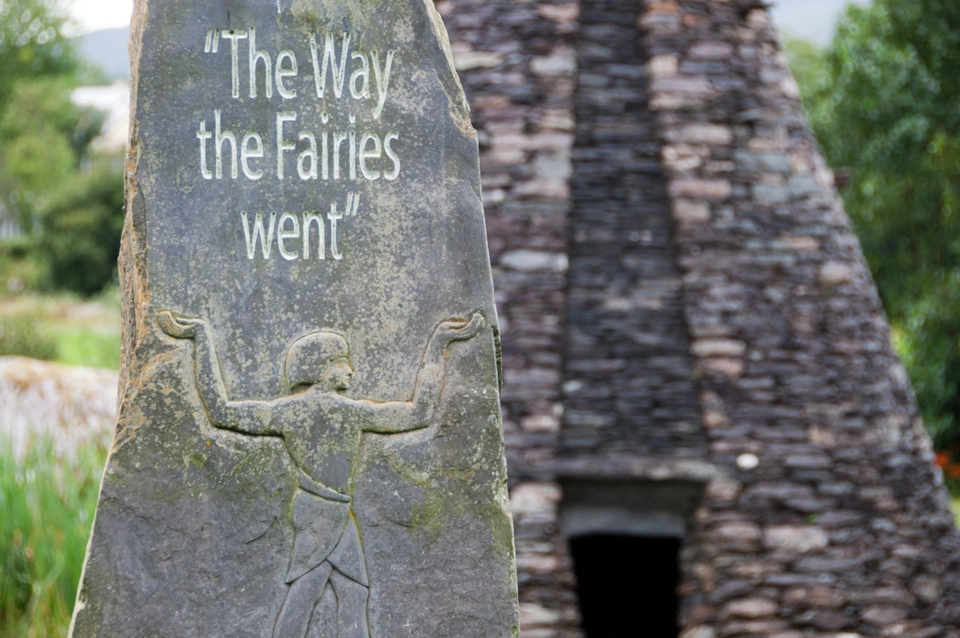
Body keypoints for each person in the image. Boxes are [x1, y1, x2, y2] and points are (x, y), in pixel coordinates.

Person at [157, 310, 485, 638]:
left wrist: (200, 338)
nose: (351, 370)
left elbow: (219, 409)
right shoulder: (351, 413)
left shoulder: (287, 411)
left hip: (325, 510)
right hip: (322, 512)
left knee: (342, 592)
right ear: (322, 369)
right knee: (312, 591)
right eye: (343, 362)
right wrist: (440, 341)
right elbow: (419, 412)